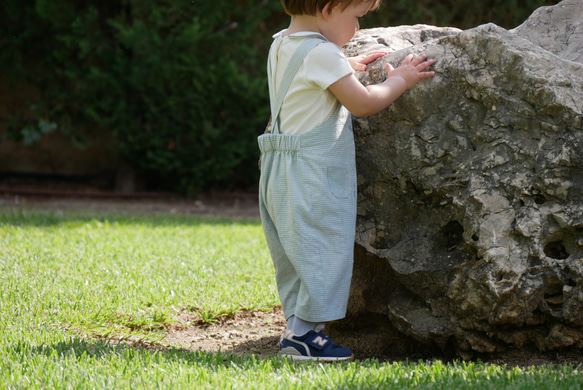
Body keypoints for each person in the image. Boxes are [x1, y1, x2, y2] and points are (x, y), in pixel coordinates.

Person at [258, 0, 435, 361]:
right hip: (311, 172)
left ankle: (296, 328)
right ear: (328, 8)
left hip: (277, 168)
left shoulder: (282, 43)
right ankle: (306, 336)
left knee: (294, 254)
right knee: (323, 249)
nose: (356, 29)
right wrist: (399, 79)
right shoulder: (323, 53)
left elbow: (301, 83)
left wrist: (346, 68)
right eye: (356, 17)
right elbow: (364, 103)